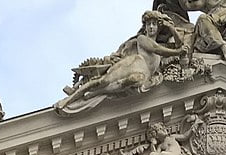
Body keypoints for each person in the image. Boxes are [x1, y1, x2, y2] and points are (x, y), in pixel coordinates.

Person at [55, 11, 185, 114]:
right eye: (148, 24)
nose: (151, 27)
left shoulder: (162, 48)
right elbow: (157, 49)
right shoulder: (142, 39)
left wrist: (170, 28)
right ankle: (68, 100)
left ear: (158, 27)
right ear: (144, 27)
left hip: (143, 75)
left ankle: (96, 93)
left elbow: (179, 44)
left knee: (130, 81)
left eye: (154, 24)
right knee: (102, 81)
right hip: (133, 64)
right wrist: (178, 52)